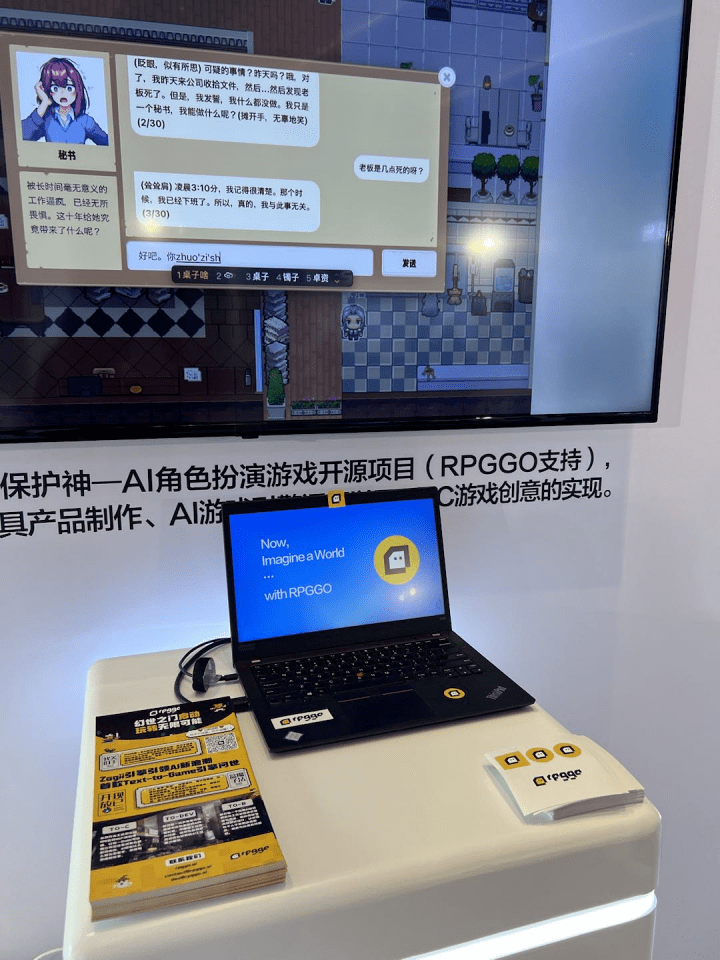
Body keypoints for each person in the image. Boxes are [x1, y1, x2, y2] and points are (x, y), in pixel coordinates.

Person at [22, 57, 108, 145]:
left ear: (77, 89)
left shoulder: (85, 121)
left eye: (69, 88)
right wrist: (44, 102)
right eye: (55, 88)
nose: (62, 93)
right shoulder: (47, 119)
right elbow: (21, 136)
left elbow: (108, 144)